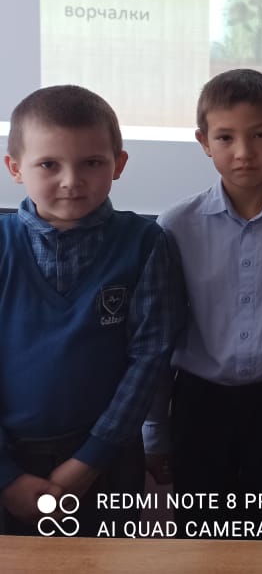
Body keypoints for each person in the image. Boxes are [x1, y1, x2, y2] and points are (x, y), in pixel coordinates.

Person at [144, 69, 262, 540]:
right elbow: (158, 337)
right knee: (199, 539)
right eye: (225, 137)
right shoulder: (175, 225)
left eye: (259, 135)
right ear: (204, 142)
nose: (244, 152)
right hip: (198, 405)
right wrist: (155, 429)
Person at [0, 86, 183, 536]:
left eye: (92, 163)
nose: (71, 180)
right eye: (49, 164)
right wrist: (7, 478)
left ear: (118, 164)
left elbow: (149, 358)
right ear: (15, 168)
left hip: (107, 460)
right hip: (10, 459)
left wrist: (89, 461)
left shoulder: (144, 243)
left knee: (105, 562)